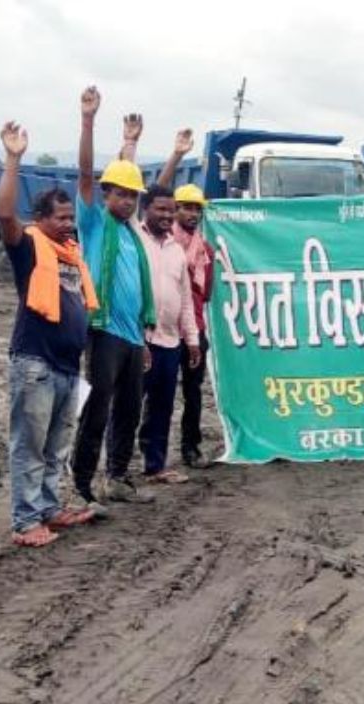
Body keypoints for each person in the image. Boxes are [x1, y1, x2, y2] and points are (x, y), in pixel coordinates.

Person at [0, 121, 99, 548]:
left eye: (71, 217)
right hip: (34, 363)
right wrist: (14, 158)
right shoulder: (29, 247)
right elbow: (4, 214)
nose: (69, 224)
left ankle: (51, 508)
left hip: (66, 366)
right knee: (30, 445)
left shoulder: (71, 256)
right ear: (39, 219)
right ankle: (25, 522)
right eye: (60, 218)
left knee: (57, 445)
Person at [70, 87, 157, 510]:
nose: (126, 201)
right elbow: (86, 173)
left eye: (132, 196)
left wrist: (130, 145)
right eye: (119, 194)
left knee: (128, 409)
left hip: (132, 335)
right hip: (103, 332)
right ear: (105, 196)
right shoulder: (93, 224)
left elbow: (125, 175)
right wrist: (88, 120)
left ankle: (117, 475)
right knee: (98, 408)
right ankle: (82, 483)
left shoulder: (131, 235)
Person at [122, 124, 215, 469]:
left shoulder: (196, 250)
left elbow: (197, 298)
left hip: (182, 334)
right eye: (182, 208)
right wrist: (174, 153)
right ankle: (124, 461)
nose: (188, 213)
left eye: (195, 208)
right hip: (144, 334)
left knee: (178, 398)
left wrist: (193, 337)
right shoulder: (145, 236)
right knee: (134, 400)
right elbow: (150, 194)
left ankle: (171, 457)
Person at [134, 183, 202, 484]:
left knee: (162, 406)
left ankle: (155, 465)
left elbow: (186, 299)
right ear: (145, 208)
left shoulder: (177, 251)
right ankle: (116, 471)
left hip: (171, 341)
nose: (167, 215)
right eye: (160, 209)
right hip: (139, 339)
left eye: (170, 210)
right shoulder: (135, 239)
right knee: (128, 406)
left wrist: (192, 340)